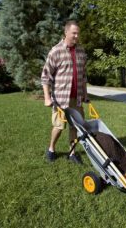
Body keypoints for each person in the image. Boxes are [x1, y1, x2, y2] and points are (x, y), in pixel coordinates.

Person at [41, 20, 89, 163]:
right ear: (66, 32)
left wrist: (85, 94)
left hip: (77, 98)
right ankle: (51, 149)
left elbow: (83, 75)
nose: (76, 36)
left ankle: (72, 153)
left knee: (75, 126)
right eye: (74, 33)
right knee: (59, 126)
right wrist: (47, 97)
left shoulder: (81, 51)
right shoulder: (56, 51)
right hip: (61, 99)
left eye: (78, 34)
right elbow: (45, 76)